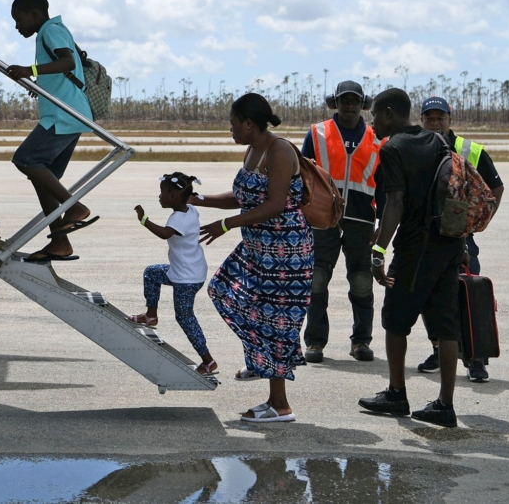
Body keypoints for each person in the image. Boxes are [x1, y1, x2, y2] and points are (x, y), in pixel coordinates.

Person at [197, 93, 313, 423]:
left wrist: (225, 225)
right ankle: (262, 358)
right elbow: (242, 196)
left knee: (276, 323)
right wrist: (197, 198)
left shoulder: (279, 150)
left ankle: (280, 405)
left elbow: (276, 203)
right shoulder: (253, 150)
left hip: (286, 254)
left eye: (233, 124)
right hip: (258, 249)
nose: (231, 130)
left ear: (249, 124)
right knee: (223, 290)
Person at [359, 88, 463, 428]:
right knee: (446, 326)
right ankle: (444, 405)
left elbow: (395, 204)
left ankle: (396, 394)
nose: (371, 121)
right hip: (450, 244)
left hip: (417, 247)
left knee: (394, 321)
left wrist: (378, 251)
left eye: (374, 113)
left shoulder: (393, 148)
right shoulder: (437, 141)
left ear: (389, 113)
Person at [417, 96, 505, 382]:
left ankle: (476, 358)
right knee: (427, 299)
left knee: (466, 297)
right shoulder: (417, 149)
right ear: (421, 121)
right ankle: (440, 349)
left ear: (450, 119)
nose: (435, 122)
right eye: (429, 118)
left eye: (440, 117)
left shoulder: (471, 150)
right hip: (426, 237)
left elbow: (496, 186)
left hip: (461, 238)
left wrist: (480, 221)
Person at [5, 0, 97, 263]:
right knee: (44, 181)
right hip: (69, 113)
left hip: (62, 114)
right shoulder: (54, 30)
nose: (17, 26)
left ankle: (76, 207)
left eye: (19, 19)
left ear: (34, 14)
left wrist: (30, 71)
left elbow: (68, 62)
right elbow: (64, 67)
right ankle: (59, 242)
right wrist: (42, 84)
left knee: (26, 159)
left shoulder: (49, 30)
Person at [300, 80, 384, 364]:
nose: (349, 106)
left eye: (355, 101)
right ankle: (314, 342)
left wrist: (383, 223)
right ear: (334, 102)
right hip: (323, 219)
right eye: (344, 100)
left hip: (361, 220)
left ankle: (361, 342)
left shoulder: (377, 138)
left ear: (363, 104)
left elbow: (384, 185)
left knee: (361, 281)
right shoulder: (318, 133)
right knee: (317, 280)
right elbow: (302, 175)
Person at [129, 172, 217, 376]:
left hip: (186, 279)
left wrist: (143, 220)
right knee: (151, 273)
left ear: (175, 197)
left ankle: (208, 361)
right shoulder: (191, 210)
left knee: (185, 317)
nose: (159, 196)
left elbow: (164, 234)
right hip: (188, 271)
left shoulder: (177, 218)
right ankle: (151, 315)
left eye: (163, 193)